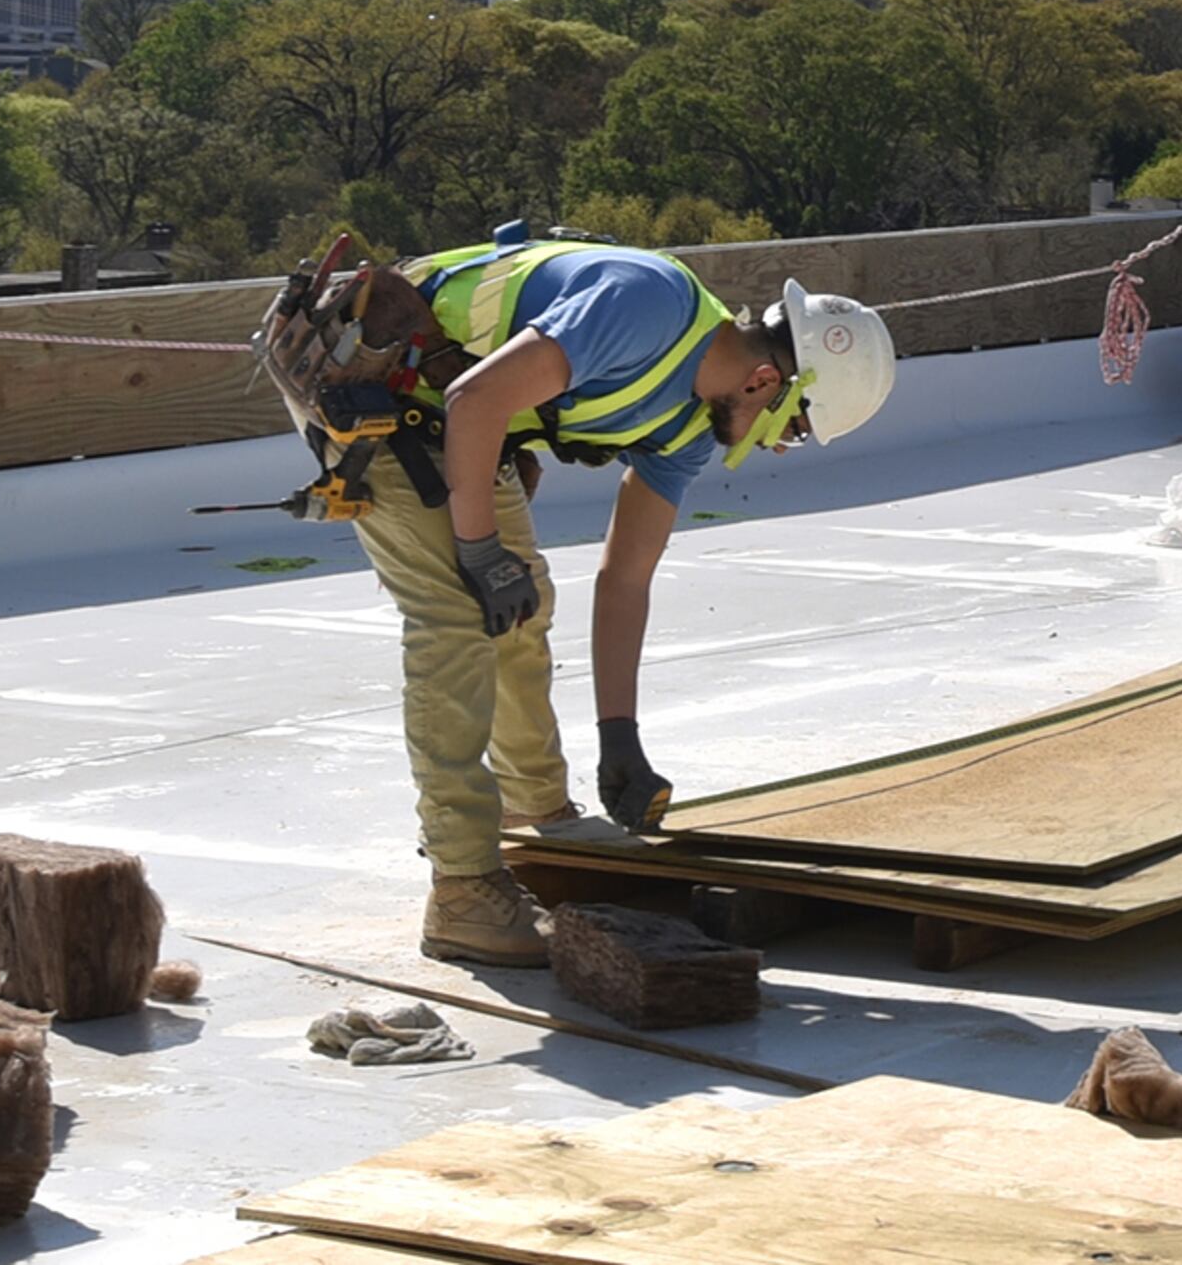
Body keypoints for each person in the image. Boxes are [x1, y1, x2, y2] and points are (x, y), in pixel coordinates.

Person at [362, 228, 898, 966]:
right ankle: (462, 892)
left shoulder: (685, 432)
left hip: (454, 421)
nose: (778, 447)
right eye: (796, 429)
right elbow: (476, 396)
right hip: (380, 387)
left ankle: (536, 807)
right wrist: (480, 552)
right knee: (455, 618)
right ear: (768, 384)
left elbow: (626, 577)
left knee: (521, 605)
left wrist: (621, 735)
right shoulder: (648, 307)